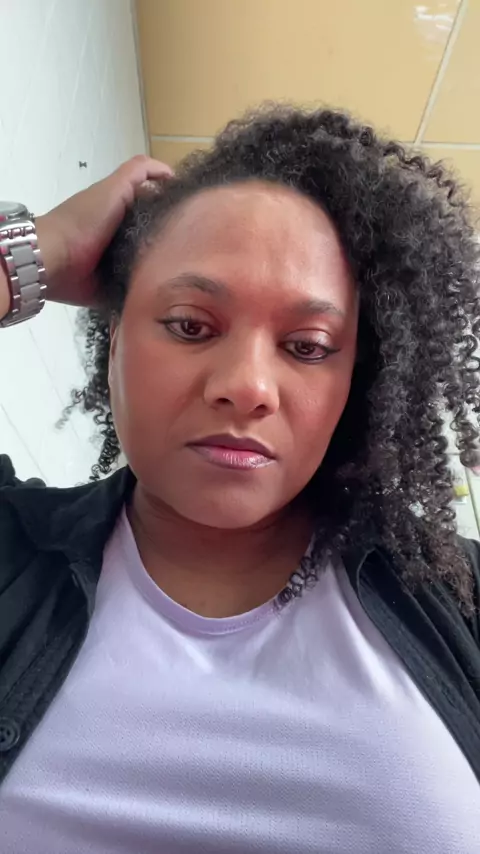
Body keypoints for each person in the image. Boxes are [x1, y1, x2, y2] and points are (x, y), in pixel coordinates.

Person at [0, 105, 479, 853]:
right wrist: (34, 253)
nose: (247, 386)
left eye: (308, 346)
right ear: (114, 341)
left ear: (356, 382)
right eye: (191, 325)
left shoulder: (464, 602)